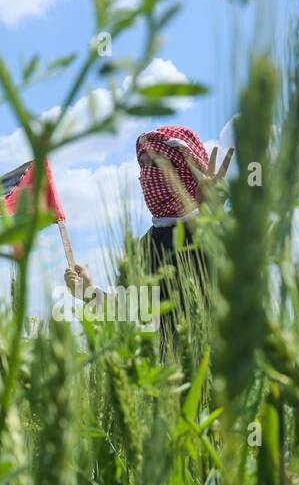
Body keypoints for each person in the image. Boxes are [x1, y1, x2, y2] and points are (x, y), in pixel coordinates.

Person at [63, 126, 233, 344]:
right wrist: (88, 293)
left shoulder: (213, 229)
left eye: (157, 162)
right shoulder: (144, 246)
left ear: (185, 167)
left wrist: (212, 214)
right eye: (142, 165)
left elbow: (241, 276)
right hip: (171, 374)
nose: (147, 173)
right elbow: (131, 311)